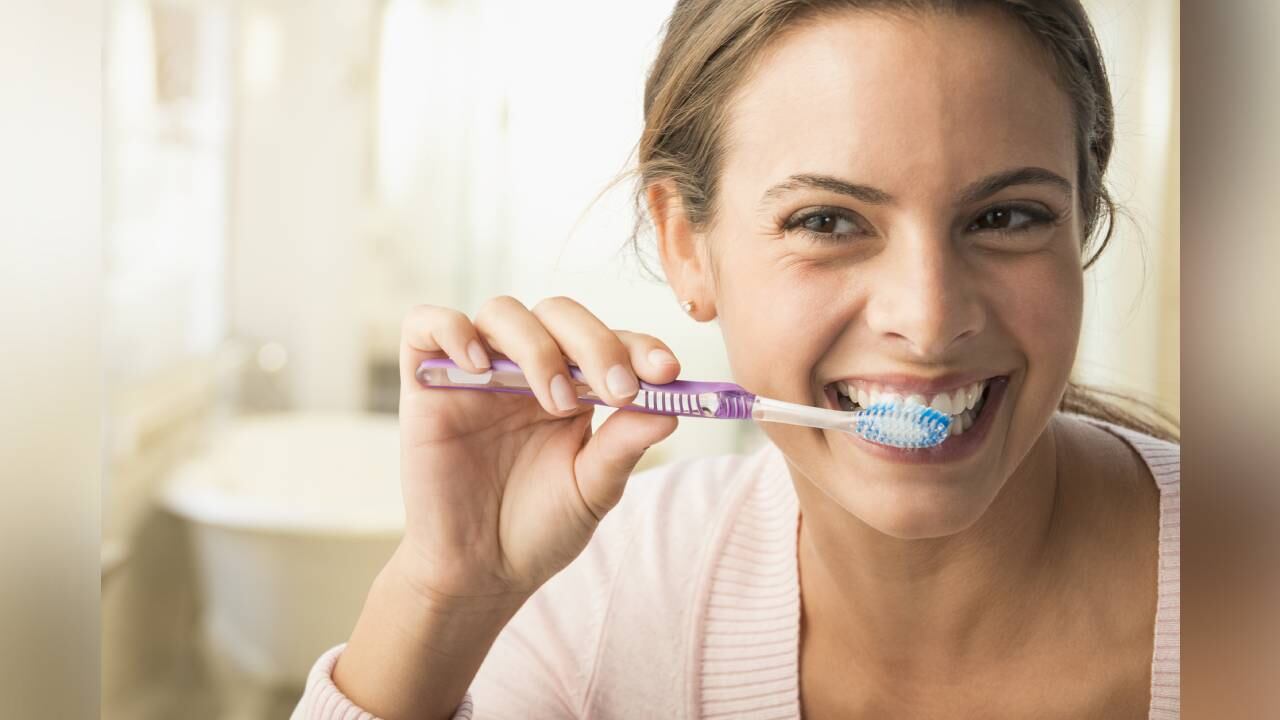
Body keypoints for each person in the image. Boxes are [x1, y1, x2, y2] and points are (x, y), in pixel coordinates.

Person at [295, 1, 1179, 717]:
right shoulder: (604, 592)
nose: (930, 318)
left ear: (1083, 224)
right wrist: (447, 593)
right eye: (827, 222)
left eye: (1006, 217)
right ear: (686, 246)